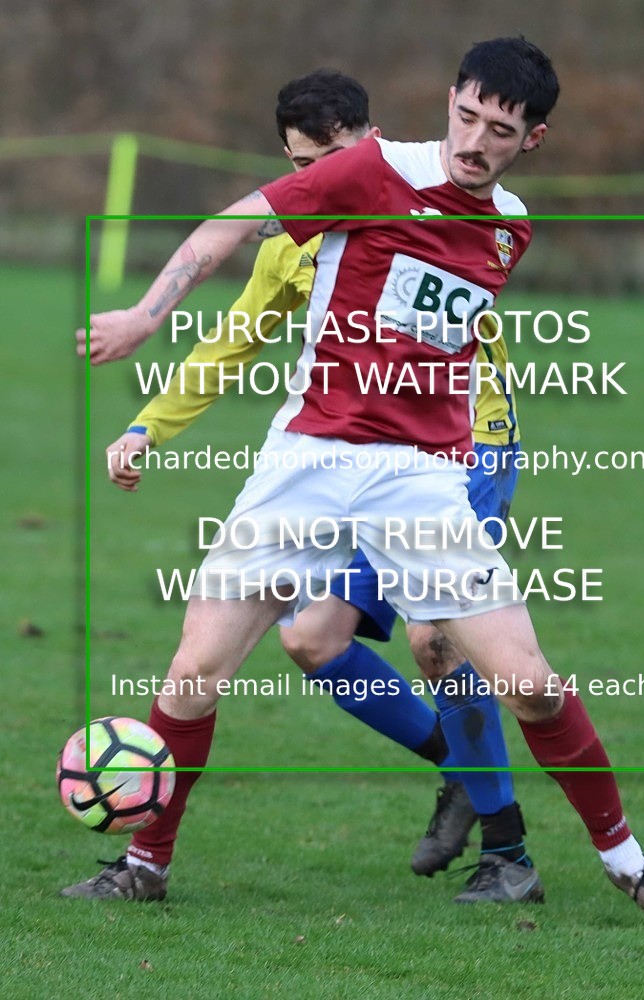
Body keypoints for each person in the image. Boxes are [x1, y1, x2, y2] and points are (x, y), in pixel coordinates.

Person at [66, 37, 644, 927]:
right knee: (194, 672)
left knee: (527, 683)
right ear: (449, 99)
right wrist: (146, 314)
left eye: (500, 129)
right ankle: (144, 863)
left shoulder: (509, 229)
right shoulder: (368, 172)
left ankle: (632, 867)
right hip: (308, 459)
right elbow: (234, 222)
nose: (476, 140)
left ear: (534, 137)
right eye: (467, 116)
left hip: (422, 482)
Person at [101, 69, 539, 903]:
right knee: (312, 641)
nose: (312, 183)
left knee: (434, 644)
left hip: (464, 452)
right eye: (299, 166)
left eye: (325, 161)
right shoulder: (292, 239)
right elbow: (227, 346)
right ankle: (463, 771)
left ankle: (508, 851)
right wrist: (144, 426)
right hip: (347, 463)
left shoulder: (423, 199)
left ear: (363, 144)